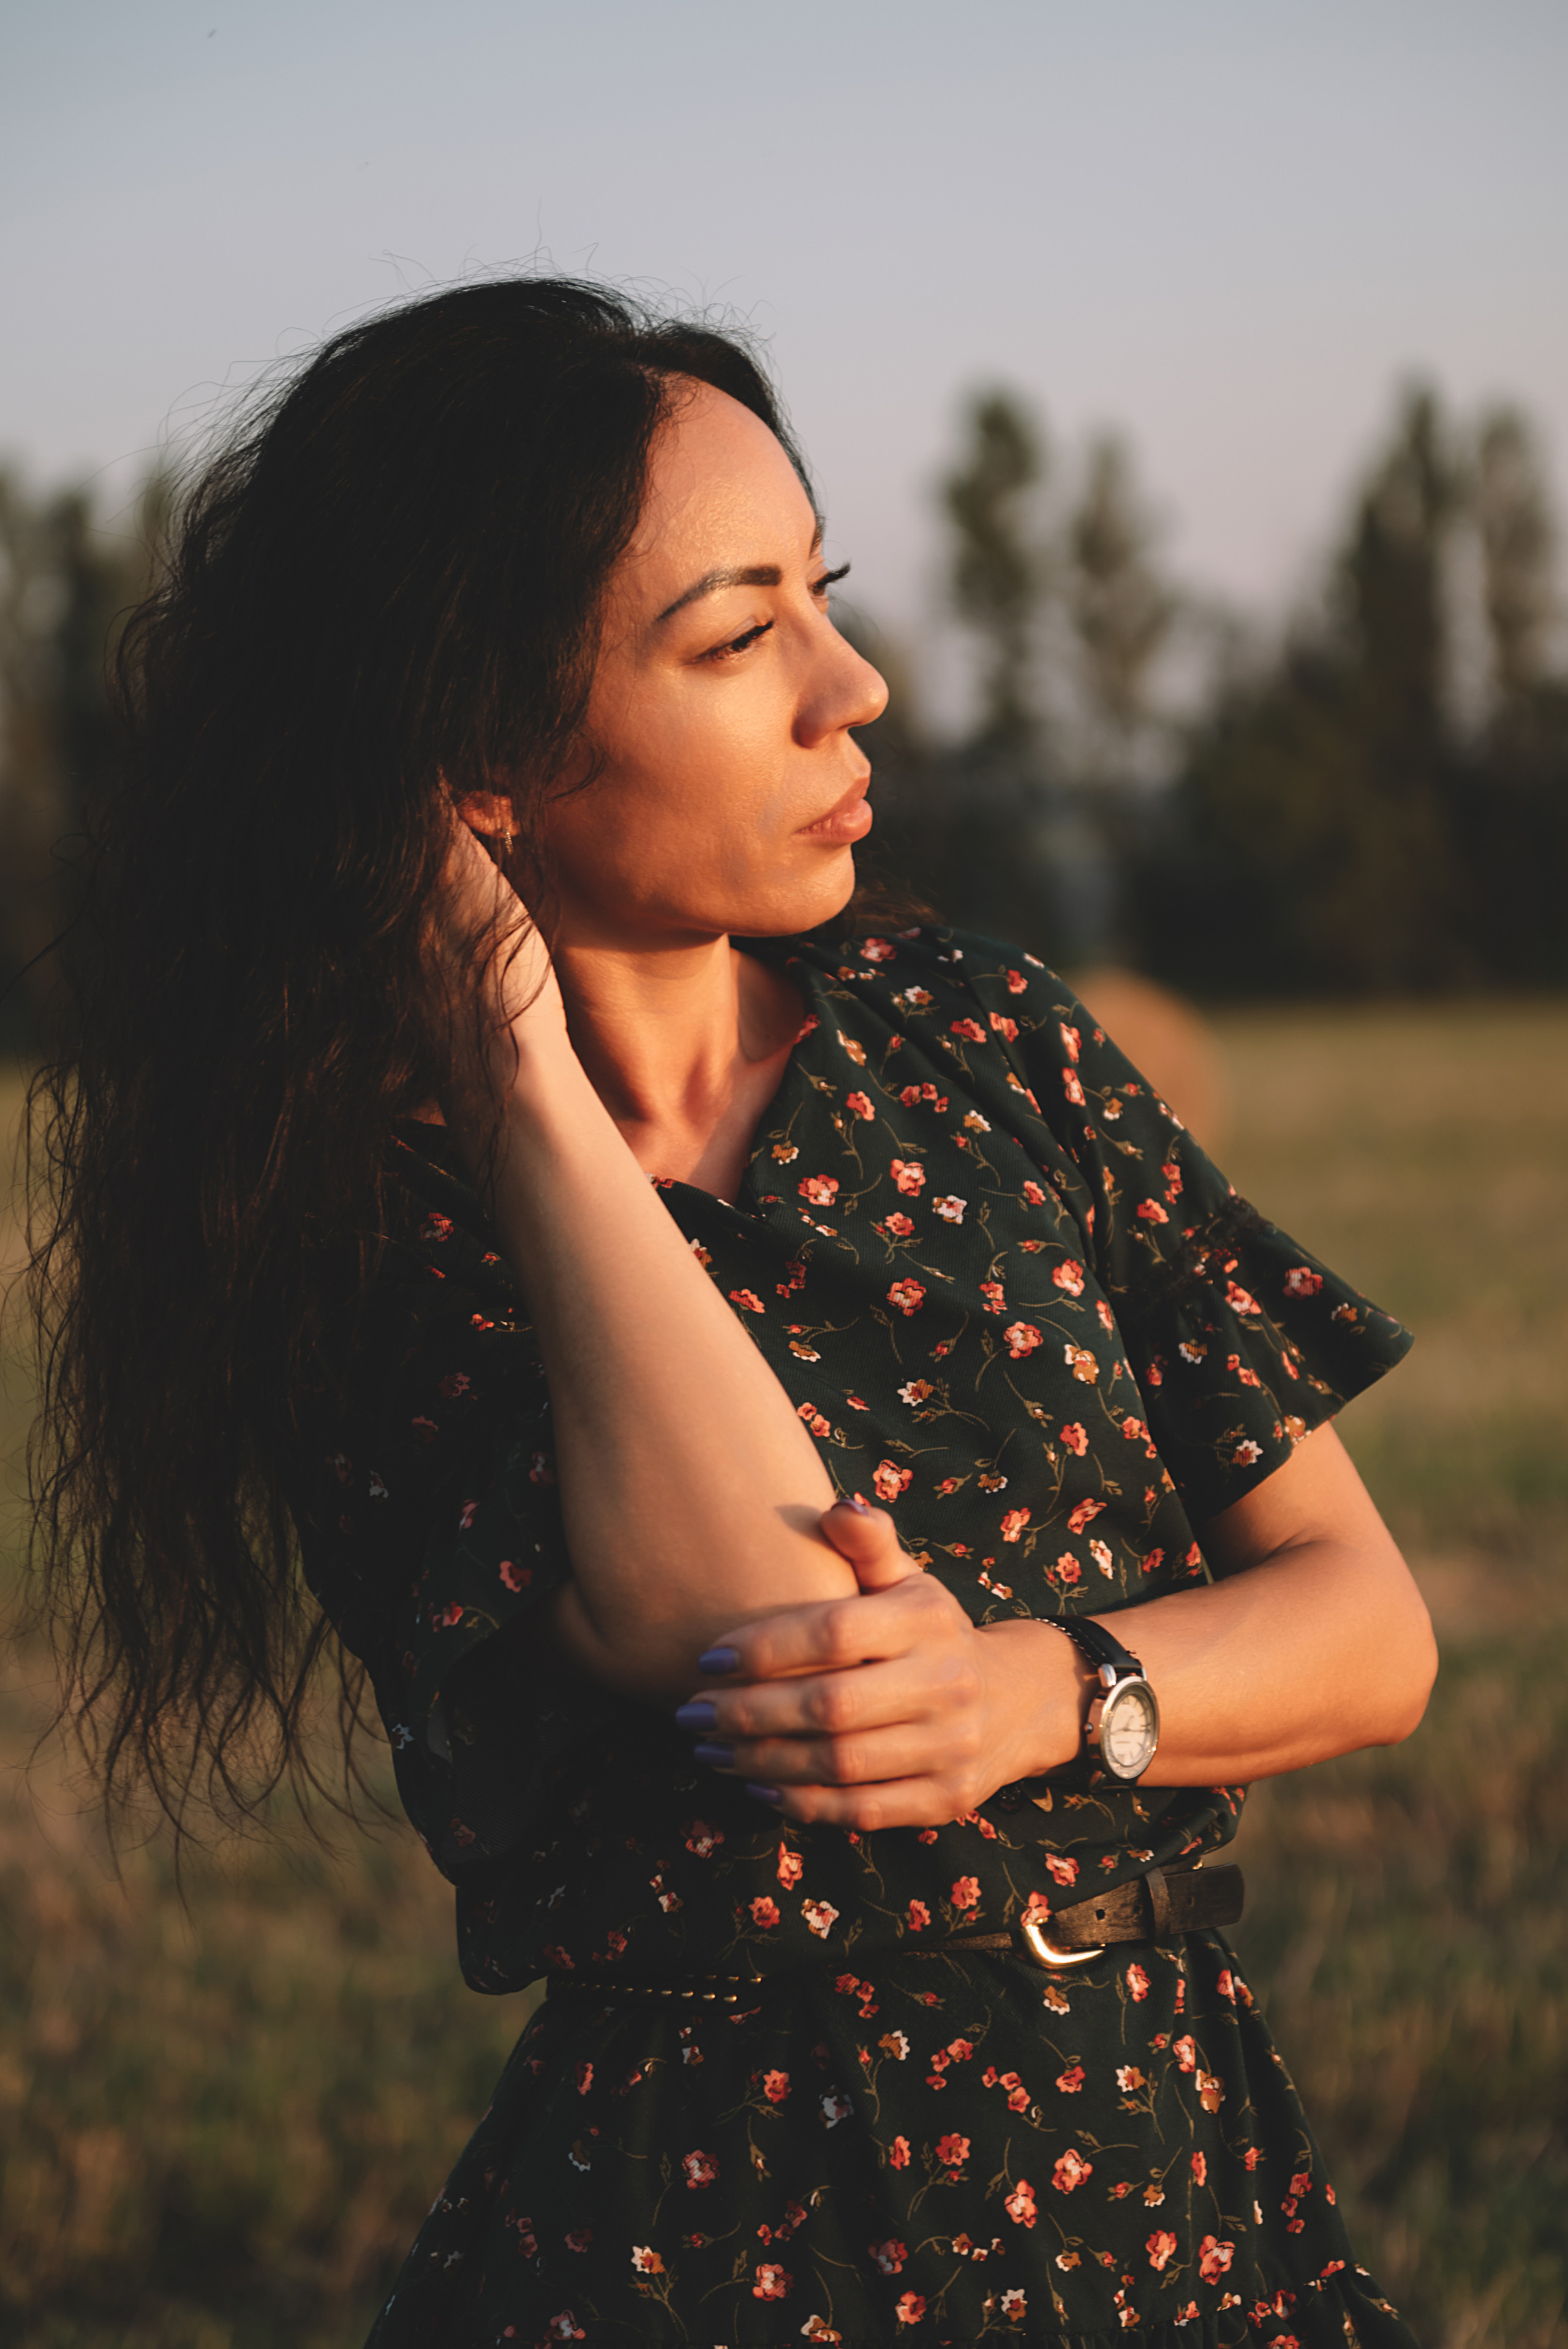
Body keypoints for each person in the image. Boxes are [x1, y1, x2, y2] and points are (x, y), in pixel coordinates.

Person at [29, 277, 1437, 2347]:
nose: (851, 687)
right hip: (714, 2246)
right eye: (736, 635)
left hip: (1168, 2188)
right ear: (485, 759)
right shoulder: (369, 1215)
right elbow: (738, 1609)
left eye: (824, 594)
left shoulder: (989, 1045)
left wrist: (1041, 1689)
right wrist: (518, 1061)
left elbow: (1368, 1626)